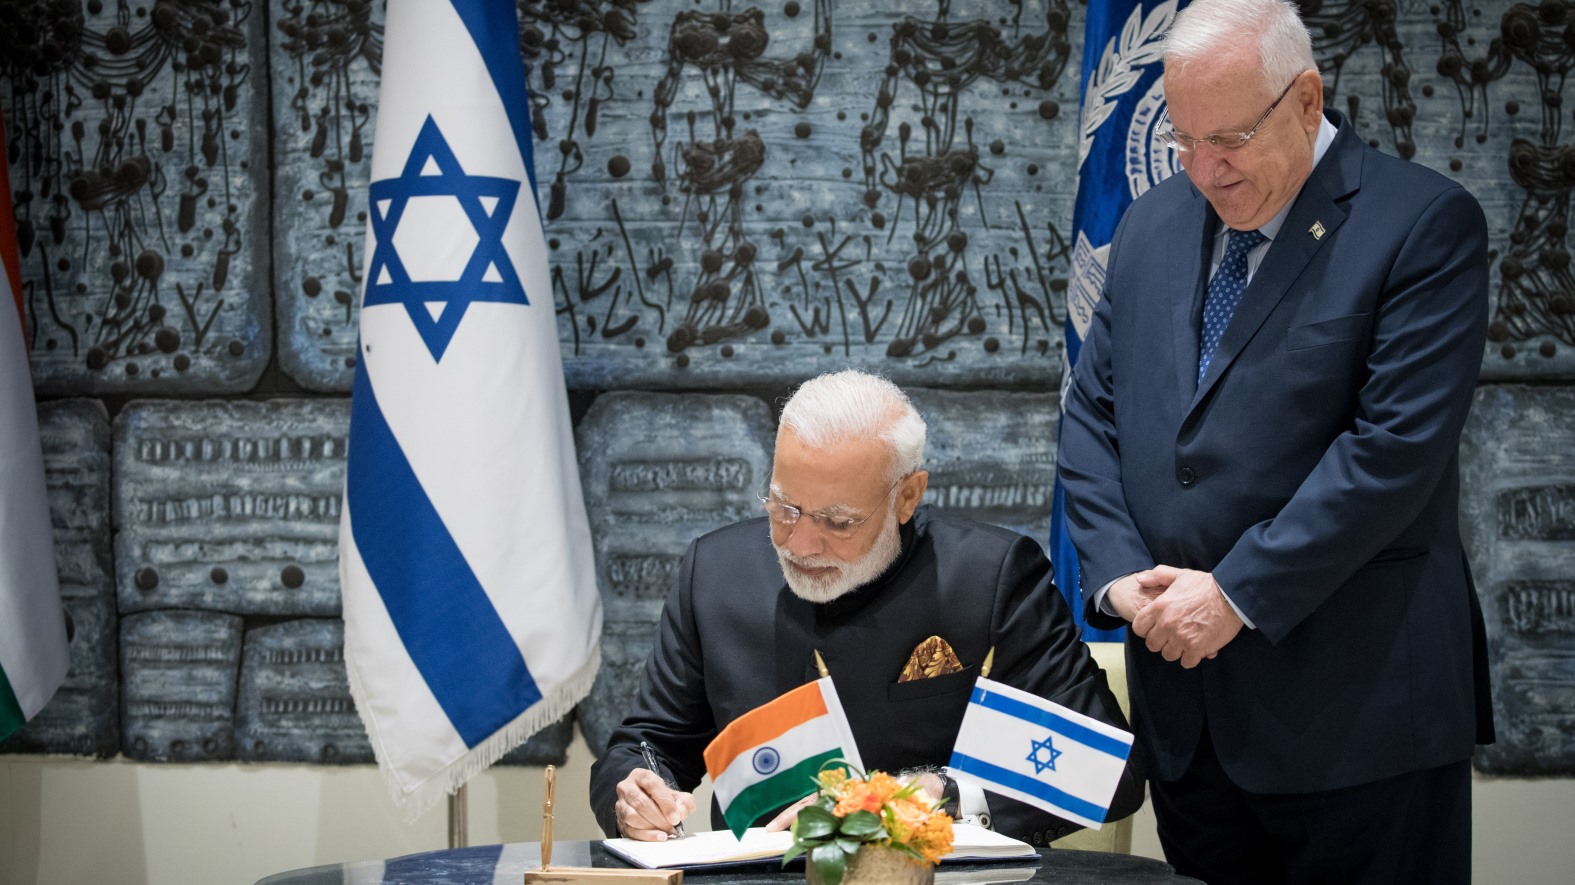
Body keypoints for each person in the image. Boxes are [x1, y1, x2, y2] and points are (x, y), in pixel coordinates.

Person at [1055, 1, 1495, 883]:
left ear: (1304, 99)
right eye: (1183, 140)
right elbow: (1091, 415)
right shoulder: (1151, 223)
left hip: (1359, 717)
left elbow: (1391, 449)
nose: (1203, 169)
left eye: (1228, 139)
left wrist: (1235, 591)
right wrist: (1120, 578)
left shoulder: (1421, 223)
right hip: (1189, 713)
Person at [589, 368, 1142, 844]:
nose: (800, 544)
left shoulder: (990, 577)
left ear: (907, 496)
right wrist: (636, 796)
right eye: (784, 508)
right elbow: (648, 744)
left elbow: (1108, 772)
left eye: (838, 521)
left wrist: (925, 796)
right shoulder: (715, 573)